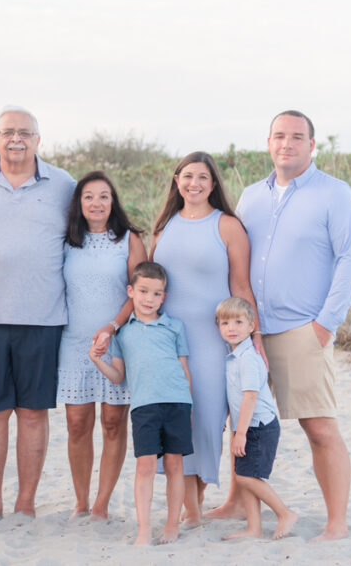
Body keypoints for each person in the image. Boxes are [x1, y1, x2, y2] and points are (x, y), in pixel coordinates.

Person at [235, 110, 351, 541]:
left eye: (296, 137)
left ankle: (336, 521)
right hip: (252, 331)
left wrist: (326, 324)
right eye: (278, 136)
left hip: (302, 330)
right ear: (268, 142)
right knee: (244, 421)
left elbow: (350, 258)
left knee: (319, 426)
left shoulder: (334, 193)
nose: (286, 144)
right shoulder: (251, 196)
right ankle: (239, 504)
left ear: (312, 144)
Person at [0, 105, 75, 525]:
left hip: (43, 317)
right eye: (7, 132)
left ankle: (26, 503)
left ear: (39, 139)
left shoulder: (64, 184)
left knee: (33, 413)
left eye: (25, 132)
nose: (16, 139)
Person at [149, 151, 262, 526]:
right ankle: (191, 509)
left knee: (207, 418)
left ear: (213, 184)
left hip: (214, 342)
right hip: (169, 341)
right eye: (187, 176)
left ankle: (193, 503)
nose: (194, 183)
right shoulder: (163, 226)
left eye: (203, 177)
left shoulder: (227, 225)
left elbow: (242, 286)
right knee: (177, 418)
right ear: (176, 180)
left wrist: (253, 343)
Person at [57, 171, 145, 521]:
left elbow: (138, 292)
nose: (96, 203)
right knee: (77, 423)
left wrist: (112, 327)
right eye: (89, 196)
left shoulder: (129, 240)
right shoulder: (66, 240)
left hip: (116, 340)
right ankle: (80, 501)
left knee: (112, 422)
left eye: (104, 196)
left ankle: (101, 504)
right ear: (79, 203)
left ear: (114, 201)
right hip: (73, 341)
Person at [89, 262, 193, 546]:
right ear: (131, 292)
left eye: (156, 294)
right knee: (145, 465)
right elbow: (118, 376)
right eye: (143, 291)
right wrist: (98, 359)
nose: (149, 299)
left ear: (164, 297)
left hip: (177, 403)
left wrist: (190, 406)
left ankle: (172, 525)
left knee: (174, 465)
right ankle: (144, 529)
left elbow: (184, 370)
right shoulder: (123, 334)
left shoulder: (175, 326)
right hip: (144, 405)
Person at [215, 296, 298, 541]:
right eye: (225, 323)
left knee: (246, 476)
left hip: (259, 427)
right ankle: (254, 528)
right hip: (247, 425)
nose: (231, 328)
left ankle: (285, 513)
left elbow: (249, 398)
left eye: (238, 322)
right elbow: (234, 396)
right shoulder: (234, 356)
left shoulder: (248, 358)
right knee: (245, 475)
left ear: (252, 326)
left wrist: (239, 433)